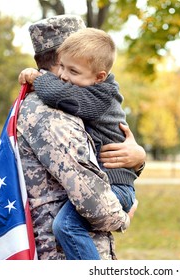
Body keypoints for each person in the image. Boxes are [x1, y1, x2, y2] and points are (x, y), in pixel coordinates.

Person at [17, 15, 146, 260]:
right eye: (64, 68)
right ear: (59, 60)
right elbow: (94, 202)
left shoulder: (90, 95)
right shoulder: (50, 113)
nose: (65, 76)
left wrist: (139, 158)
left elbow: (108, 142)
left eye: (74, 70)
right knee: (66, 225)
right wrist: (123, 217)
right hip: (58, 252)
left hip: (116, 186)